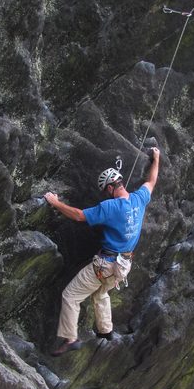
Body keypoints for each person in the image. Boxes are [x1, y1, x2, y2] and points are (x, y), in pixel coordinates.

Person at [44, 148, 160, 356]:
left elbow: (79, 216)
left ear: (109, 188)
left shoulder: (110, 207)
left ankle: (71, 338)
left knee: (70, 296)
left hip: (105, 265)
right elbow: (151, 181)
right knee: (101, 292)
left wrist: (55, 202)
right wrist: (157, 158)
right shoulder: (139, 199)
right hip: (123, 266)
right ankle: (106, 331)